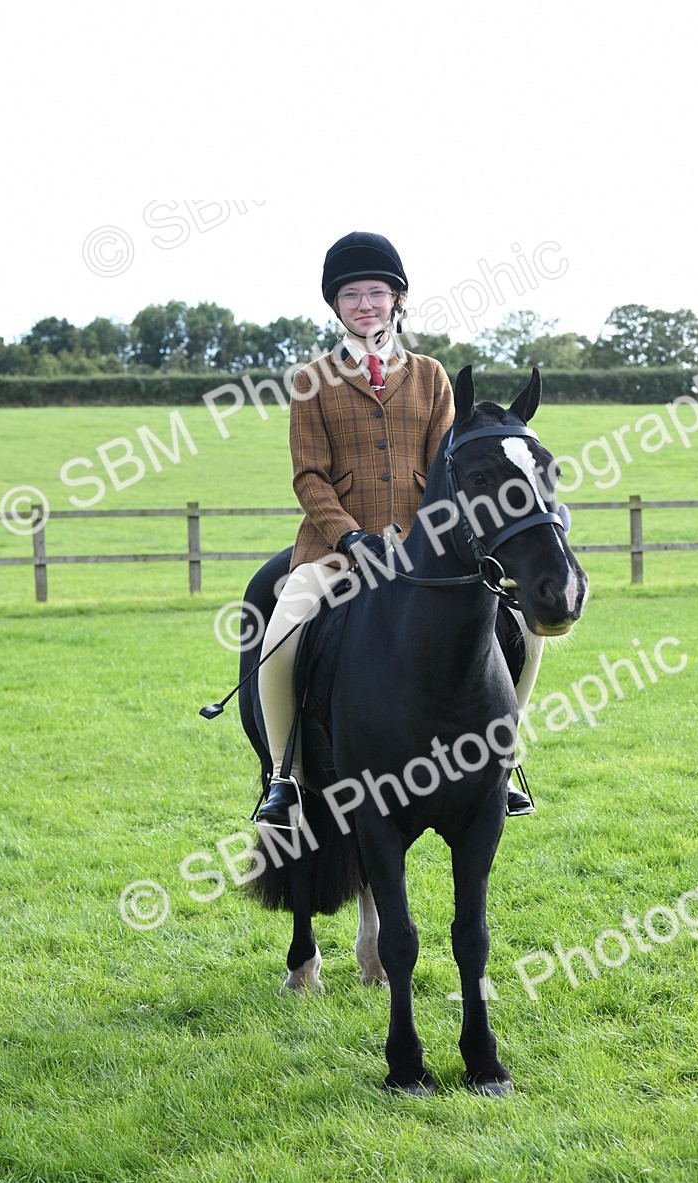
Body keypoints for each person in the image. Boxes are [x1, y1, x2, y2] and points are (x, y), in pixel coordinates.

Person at [255, 231, 541, 827]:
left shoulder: (433, 376)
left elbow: (449, 469)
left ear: (397, 300)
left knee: (524, 626)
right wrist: (351, 537)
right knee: (283, 628)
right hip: (339, 548)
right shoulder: (311, 380)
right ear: (335, 305)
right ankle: (286, 777)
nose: (365, 304)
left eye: (377, 293)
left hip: (425, 547)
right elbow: (308, 477)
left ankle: (504, 752)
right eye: (352, 294)